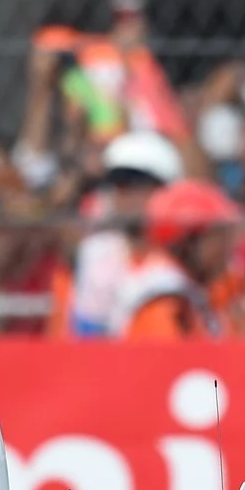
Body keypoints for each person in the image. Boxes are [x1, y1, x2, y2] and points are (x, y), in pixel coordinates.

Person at [56, 131, 181, 337]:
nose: (126, 194)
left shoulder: (187, 255)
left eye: (138, 183)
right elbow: (88, 337)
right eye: (119, 183)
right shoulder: (98, 253)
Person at [113, 178, 245, 339]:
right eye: (219, 234)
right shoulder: (162, 305)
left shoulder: (204, 291)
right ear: (189, 242)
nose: (227, 246)